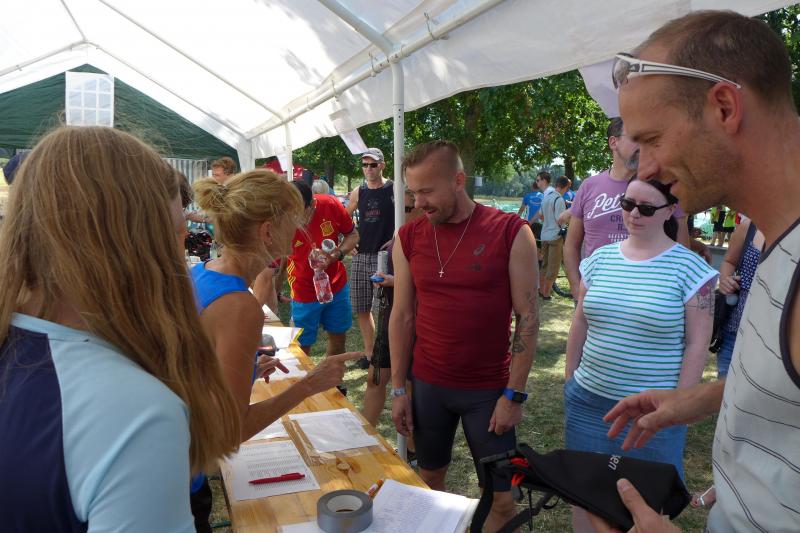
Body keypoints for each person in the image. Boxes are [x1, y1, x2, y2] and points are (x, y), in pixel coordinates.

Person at [589, 10, 800, 533]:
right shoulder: (773, 235)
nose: (644, 169)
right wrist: (704, 397)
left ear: (724, 107)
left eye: (653, 139)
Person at [0, 126, 240, 531]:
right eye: (174, 230)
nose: (181, 242)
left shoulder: (22, 349)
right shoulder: (134, 411)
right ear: (133, 244)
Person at [191, 170, 363, 530]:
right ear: (268, 231)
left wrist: (248, 369)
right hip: (182, 475)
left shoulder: (202, 272)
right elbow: (231, 431)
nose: (300, 230)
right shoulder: (240, 306)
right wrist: (309, 384)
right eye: (293, 220)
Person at [389, 141, 539, 531]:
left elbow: (528, 317)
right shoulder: (409, 237)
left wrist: (514, 394)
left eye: (427, 191)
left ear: (458, 180)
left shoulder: (511, 231)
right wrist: (399, 389)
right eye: (413, 192)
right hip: (428, 386)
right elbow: (402, 316)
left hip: (488, 392)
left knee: (502, 500)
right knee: (429, 483)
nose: (418, 202)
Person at [565, 177, 716, 531]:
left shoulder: (692, 270)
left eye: (646, 208)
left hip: (653, 414)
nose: (634, 214)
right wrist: (570, 380)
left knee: (647, 506)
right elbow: (580, 322)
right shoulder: (598, 259)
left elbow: (697, 343)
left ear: (670, 211)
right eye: (628, 204)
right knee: (584, 497)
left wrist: (678, 405)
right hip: (588, 403)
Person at [361, 189, 423, 428]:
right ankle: (364, 438)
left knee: (410, 389)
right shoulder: (398, 234)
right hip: (390, 321)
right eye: (399, 209)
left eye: (407, 209)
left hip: (416, 324)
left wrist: (394, 281)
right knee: (375, 379)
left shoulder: (428, 238)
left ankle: (412, 446)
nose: (402, 214)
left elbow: (430, 281)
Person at [287, 181, 359, 356]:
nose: (294, 219)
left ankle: (334, 375)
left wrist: (336, 255)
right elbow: (274, 262)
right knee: (301, 349)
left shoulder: (331, 205)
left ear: (312, 204)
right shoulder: (282, 220)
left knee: (338, 340)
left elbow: (353, 235)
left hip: (336, 286)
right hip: (303, 291)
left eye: (299, 212)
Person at [347, 148, 395, 370]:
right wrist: (348, 243)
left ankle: (389, 353)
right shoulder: (359, 191)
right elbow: (343, 218)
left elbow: (410, 217)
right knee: (362, 307)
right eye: (365, 165)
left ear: (382, 165)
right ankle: (370, 354)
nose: (368, 169)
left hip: (385, 256)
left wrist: (395, 240)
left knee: (386, 307)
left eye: (373, 165)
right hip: (361, 255)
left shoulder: (394, 189)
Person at [538, 175, 569, 300]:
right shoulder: (559, 199)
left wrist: (548, 222)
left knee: (544, 265)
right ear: (565, 187)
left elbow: (540, 215)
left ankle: (541, 290)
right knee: (554, 267)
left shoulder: (546, 197)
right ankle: (546, 293)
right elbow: (560, 220)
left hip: (544, 235)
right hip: (555, 236)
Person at [517, 176, 545, 240]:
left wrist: (516, 220)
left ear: (532, 187)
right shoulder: (543, 196)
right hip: (540, 223)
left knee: (527, 240)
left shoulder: (527, 196)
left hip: (528, 222)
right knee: (538, 241)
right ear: (539, 187)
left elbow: (521, 210)